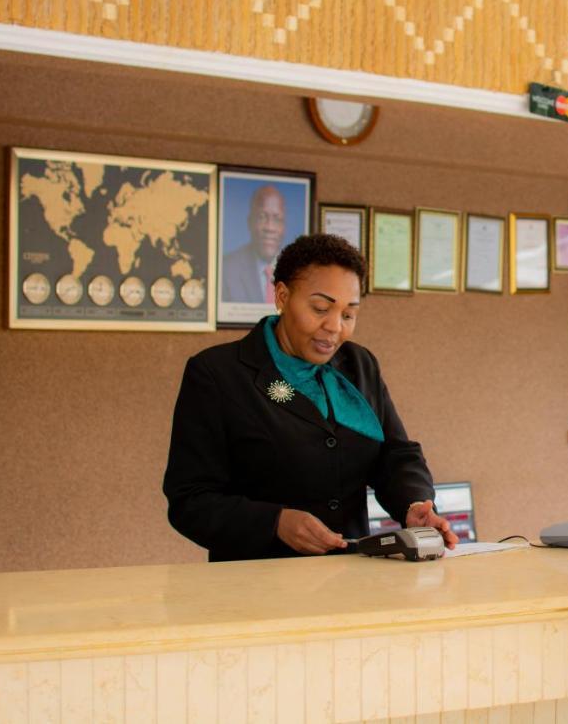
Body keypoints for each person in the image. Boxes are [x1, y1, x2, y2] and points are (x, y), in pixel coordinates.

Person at [164, 233, 458, 560]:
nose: (334, 327)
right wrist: (274, 522)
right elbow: (189, 500)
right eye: (320, 308)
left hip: (352, 574)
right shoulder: (217, 374)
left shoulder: (359, 364)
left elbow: (395, 454)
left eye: (348, 315)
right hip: (254, 584)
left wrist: (414, 503)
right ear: (281, 295)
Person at [221, 184, 287, 304]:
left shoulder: (298, 272)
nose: (270, 227)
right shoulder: (226, 270)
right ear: (250, 222)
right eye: (262, 217)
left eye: (277, 219)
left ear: (284, 226)